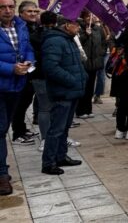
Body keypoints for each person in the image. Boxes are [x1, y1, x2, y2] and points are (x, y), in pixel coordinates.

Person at [41, 15, 85, 176]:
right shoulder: (54, 41)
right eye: (76, 25)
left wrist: (82, 77)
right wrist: (72, 80)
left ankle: (60, 156)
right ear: (67, 25)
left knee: (64, 128)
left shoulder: (68, 39)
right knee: (56, 129)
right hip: (62, 91)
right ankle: (48, 162)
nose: (79, 27)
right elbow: (51, 67)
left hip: (71, 91)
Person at [0, 0, 34, 195]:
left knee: (3, 129)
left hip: (16, 86)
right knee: (0, 129)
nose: (7, 10)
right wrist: (10, 68)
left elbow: (28, 49)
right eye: (3, 7)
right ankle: (2, 175)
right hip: (2, 84)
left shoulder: (20, 26)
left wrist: (28, 63)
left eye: (11, 6)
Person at [10, 1, 40, 145]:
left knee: (26, 102)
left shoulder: (34, 26)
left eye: (35, 11)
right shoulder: (19, 27)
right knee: (20, 104)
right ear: (21, 13)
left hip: (32, 71)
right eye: (29, 11)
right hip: (21, 71)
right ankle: (17, 133)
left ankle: (22, 129)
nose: (33, 14)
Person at [33, 11, 57, 153]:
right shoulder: (57, 36)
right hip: (48, 76)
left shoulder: (34, 36)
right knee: (53, 108)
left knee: (44, 108)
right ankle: (49, 138)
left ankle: (46, 138)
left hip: (39, 75)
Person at [76, 10, 106, 119]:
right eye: (88, 16)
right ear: (83, 17)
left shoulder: (98, 29)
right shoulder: (79, 28)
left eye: (92, 16)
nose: (90, 18)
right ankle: (80, 110)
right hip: (84, 63)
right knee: (83, 88)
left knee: (90, 88)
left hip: (94, 63)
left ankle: (88, 110)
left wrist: (101, 54)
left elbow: (103, 43)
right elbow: (77, 42)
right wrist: (85, 35)